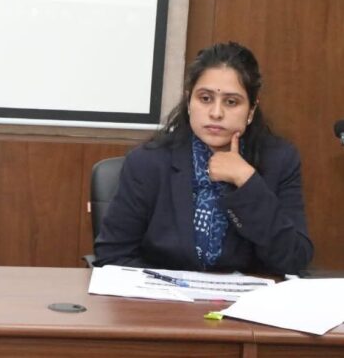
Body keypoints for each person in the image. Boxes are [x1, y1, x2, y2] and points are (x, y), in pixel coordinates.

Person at [94, 42, 313, 274]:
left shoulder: (279, 160)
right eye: (205, 98)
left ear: (251, 110)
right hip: (164, 294)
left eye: (231, 102)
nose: (216, 113)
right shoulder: (148, 162)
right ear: (189, 102)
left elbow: (294, 259)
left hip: (245, 297)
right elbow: (112, 256)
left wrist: (247, 181)